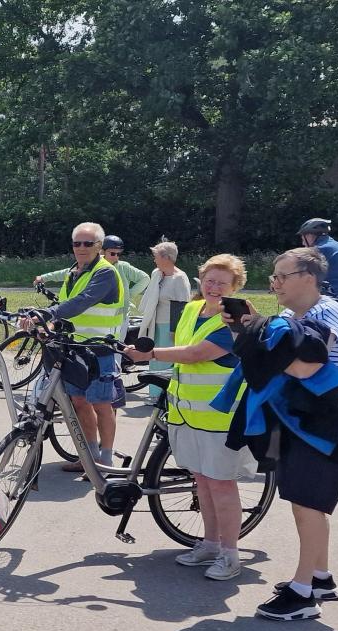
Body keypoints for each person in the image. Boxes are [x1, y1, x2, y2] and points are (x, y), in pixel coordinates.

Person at [222, 247, 338, 621]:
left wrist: (258, 335)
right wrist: (251, 328)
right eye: (273, 276)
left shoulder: (326, 313)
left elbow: (304, 368)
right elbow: (274, 354)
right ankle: (320, 577)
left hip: (329, 418)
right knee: (306, 501)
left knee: (308, 504)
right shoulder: (289, 315)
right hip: (303, 416)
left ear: (309, 276)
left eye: (282, 276)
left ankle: (302, 594)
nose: (275, 283)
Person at [122, 254, 255, 580]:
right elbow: (184, 356)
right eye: (209, 280)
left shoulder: (232, 322)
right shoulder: (192, 310)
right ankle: (210, 544)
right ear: (200, 280)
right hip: (187, 413)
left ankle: (230, 554)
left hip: (220, 419)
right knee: (203, 485)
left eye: (223, 283)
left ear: (235, 287)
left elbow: (197, 354)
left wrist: (149, 355)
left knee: (222, 487)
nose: (214, 287)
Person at [21, 222, 127, 471]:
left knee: (102, 405)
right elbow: (68, 309)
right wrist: (50, 325)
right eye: (76, 243)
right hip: (75, 348)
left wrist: (47, 314)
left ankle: (106, 460)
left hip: (100, 349)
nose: (81, 248)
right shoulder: (74, 272)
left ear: (99, 246)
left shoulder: (105, 273)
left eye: (88, 243)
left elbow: (83, 301)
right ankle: (88, 457)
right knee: (79, 403)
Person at [136, 239, 193, 395]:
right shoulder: (157, 274)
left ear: (166, 257)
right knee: (154, 359)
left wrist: (175, 330)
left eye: (156, 256)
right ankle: (154, 394)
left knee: (166, 359)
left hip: (169, 326)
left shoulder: (179, 278)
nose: (154, 260)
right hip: (155, 323)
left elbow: (181, 306)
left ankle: (165, 394)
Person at [297, 218, 338, 303]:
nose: (303, 243)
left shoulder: (319, 250)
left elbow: (303, 274)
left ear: (310, 235)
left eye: (303, 239)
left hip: (333, 297)